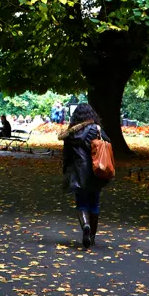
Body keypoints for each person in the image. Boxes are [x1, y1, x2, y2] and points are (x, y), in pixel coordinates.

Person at [62, 102, 111, 247]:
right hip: (96, 171)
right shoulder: (96, 129)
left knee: (81, 202)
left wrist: (66, 171)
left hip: (77, 172)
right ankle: (92, 236)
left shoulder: (70, 133)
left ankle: (85, 226)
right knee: (94, 203)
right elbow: (107, 144)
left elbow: (66, 155)